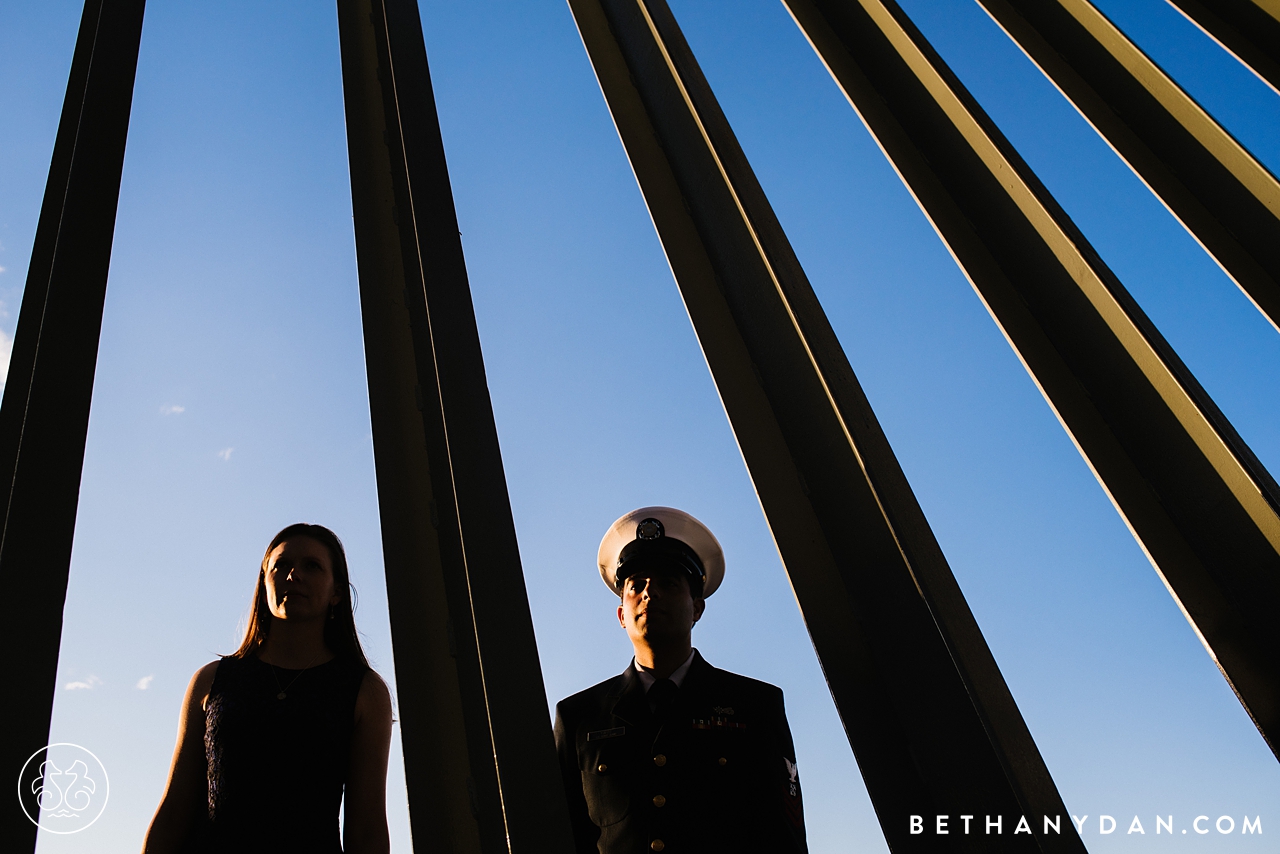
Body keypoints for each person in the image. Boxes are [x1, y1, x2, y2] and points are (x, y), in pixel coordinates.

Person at [554, 507, 807, 854]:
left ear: (697, 609)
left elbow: (783, 839)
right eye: (636, 586)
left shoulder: (755, 706)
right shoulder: (579, 717)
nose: (649, 593)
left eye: (668, 583)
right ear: (621, 616)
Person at [143, 524, 393, 854]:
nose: (293, 575)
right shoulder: (211, 682)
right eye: (281, 565)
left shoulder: (365, 691)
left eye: (312, 566)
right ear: (264, 583)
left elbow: (367, 831)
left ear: (336, 592)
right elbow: (174, 812)